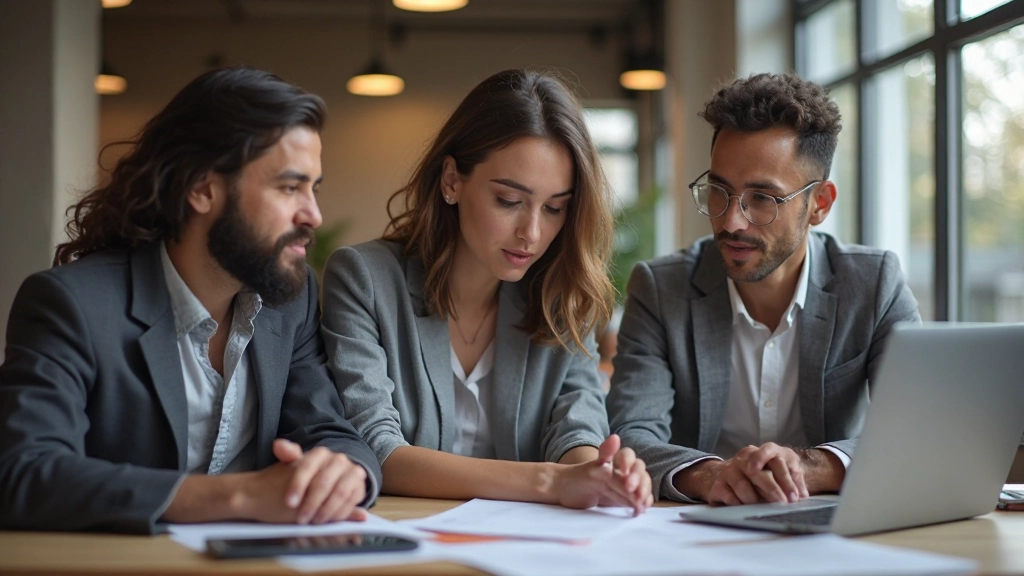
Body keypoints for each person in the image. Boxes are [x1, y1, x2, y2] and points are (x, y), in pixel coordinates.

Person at [0, 67, 381, 533]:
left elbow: (327, 431)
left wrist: (346, 474)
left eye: (313, 188)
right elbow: (23, 472)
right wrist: (242, 496)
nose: (313, 215)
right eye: (289, 187)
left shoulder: (288, 302)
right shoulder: (71, 304)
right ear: (201, 189)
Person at [321, 69, 652, 513]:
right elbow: (378, 449)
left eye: (555, 208)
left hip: (525, 542)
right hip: (404, 535)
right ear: (451, 181)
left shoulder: (563, 293)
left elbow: (576, 429)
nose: (532, 232)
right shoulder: (364, 279)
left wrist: (598, 474)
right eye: (509, 201)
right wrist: (552, 481)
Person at [607, 72, 920, 506]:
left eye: (762, 199)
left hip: (830, 522)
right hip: (701, 523)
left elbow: (915, 426)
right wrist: (714, 475)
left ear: (820, 204)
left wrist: (809, 467)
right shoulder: (661, 289)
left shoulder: (872, 284)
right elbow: (630, 433)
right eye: (719, 190)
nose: (731, 221)